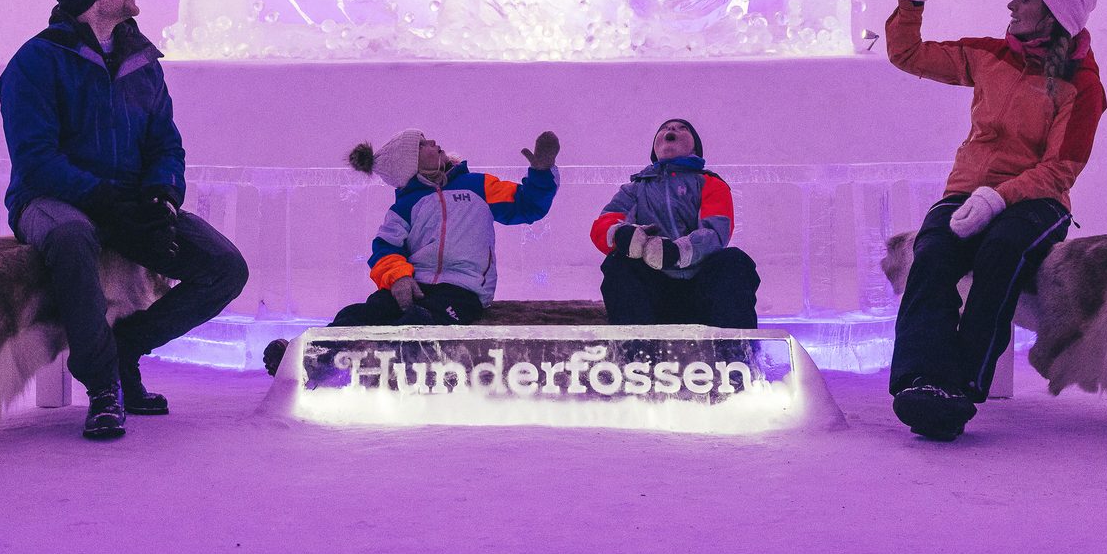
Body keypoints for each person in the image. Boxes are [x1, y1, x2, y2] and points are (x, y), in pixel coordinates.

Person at [0, 0, 249, 440]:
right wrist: (108, 202)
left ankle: (126, 347)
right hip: (51, 200)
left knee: (224, 268)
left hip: (130, 201)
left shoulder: (142, 61)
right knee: (71, 238)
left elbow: (165, 141)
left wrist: (161, 195)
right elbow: (38, 160)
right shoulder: (35, 63)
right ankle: (103, 383)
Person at [883, 0, 1106, 441]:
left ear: (1052, 15)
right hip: (966, 191)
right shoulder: (990, 55)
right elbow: (909, 54)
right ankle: (920, 380)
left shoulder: (1083, 85)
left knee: (1001, 251)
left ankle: (961, 384)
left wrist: (998, 199)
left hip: (1036, 204)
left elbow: (1061, 168)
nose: (1011, 3)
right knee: (932, 252)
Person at [262, 128, 560, 375]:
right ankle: (307, 358)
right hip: (415, 285)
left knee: (426, 320)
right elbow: (384, 250)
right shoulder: (405, 206)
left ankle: (394, 364)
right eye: (422, 145)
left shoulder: (477, 186)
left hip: (463, 290)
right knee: (366, 311)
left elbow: (527, 204)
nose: (433, 142)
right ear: (409, 166)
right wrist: (399, 279)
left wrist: (541, 171)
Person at [591, 118, 759, 328]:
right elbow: (605, 222)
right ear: (655, 148)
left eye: (682, 128)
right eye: (664, 128)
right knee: (619, 265)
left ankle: (735, 353)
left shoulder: (711, 184)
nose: (671, 129)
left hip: (702, 288)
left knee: (735, 261)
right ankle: (635, 353)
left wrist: (677, 251)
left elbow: (716, 232)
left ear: (695, 148)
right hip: (652, 291)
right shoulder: (634, 189)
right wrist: (622, 235)